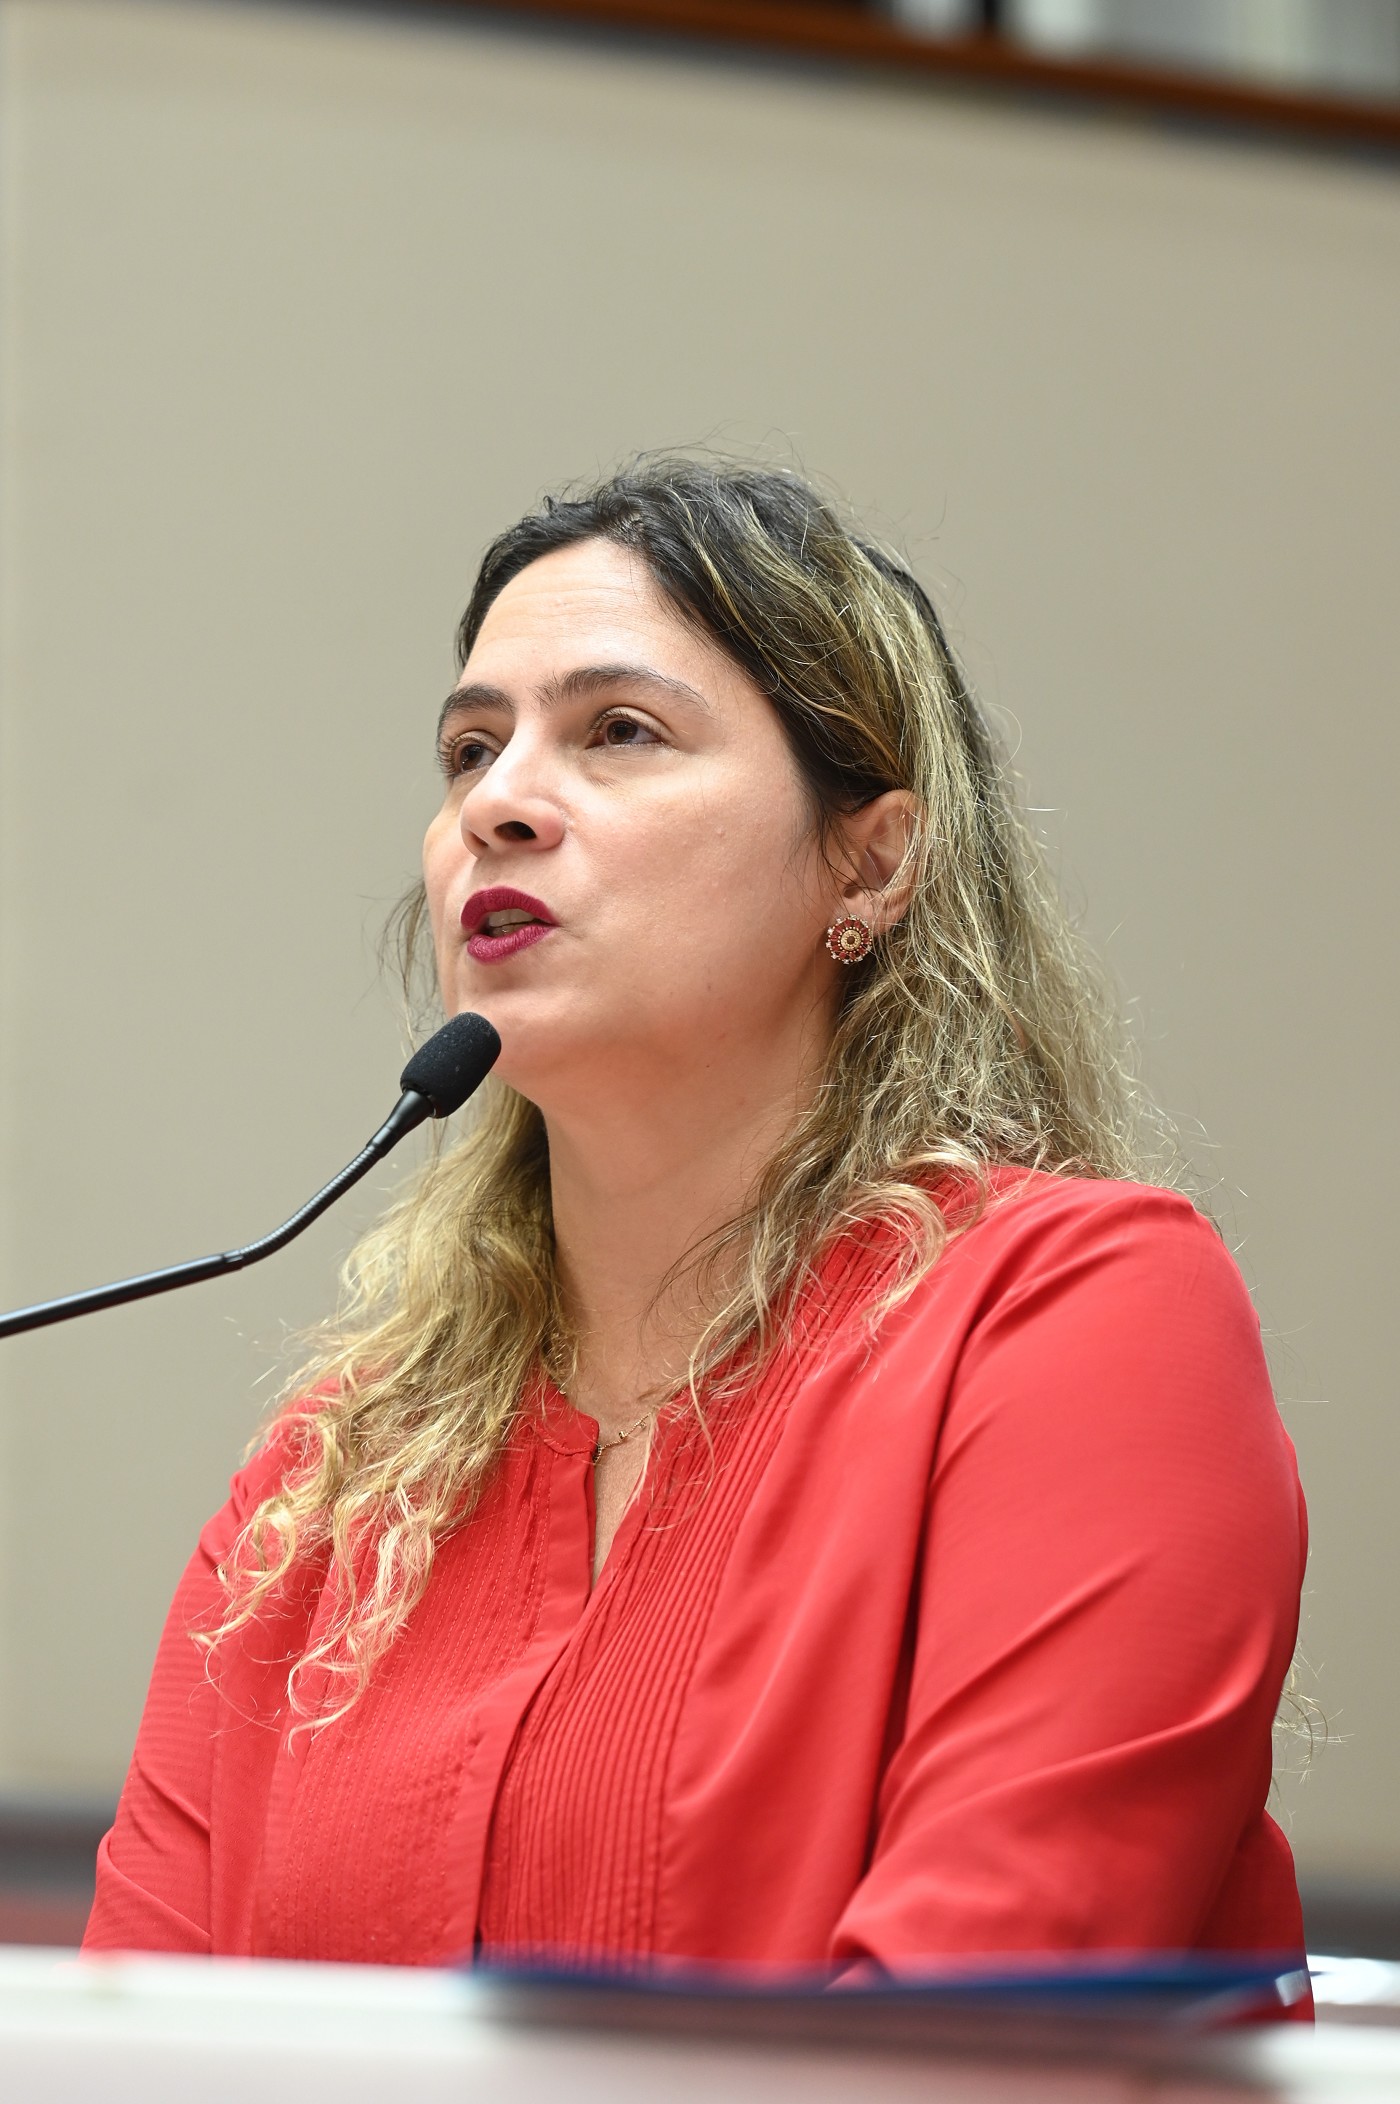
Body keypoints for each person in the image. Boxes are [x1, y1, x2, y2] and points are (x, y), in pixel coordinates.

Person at [84, 458, 1306, 1971]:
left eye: (620, 731)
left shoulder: (1076, 1324)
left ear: (870, 861)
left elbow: (969, 2043)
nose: (497, 804)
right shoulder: (327, 1488)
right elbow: (137, 2045)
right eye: (471, 749)